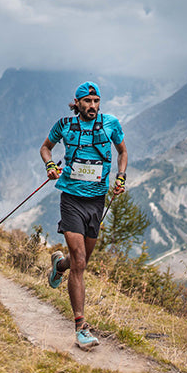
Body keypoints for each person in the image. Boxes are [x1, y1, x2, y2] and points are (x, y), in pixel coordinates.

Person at [40, 81, 127, 350]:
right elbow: (45, 148)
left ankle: (59, 265)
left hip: (96, 202)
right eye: (87, 101)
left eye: (96, 101)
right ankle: (81, 328)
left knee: (80, 262)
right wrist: (51, 165)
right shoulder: (64, 124)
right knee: (79, 259)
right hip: (71, 199)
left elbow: (123, 152)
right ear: (77, 103)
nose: (92, 106)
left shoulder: (111, 123)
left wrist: (121, 177)